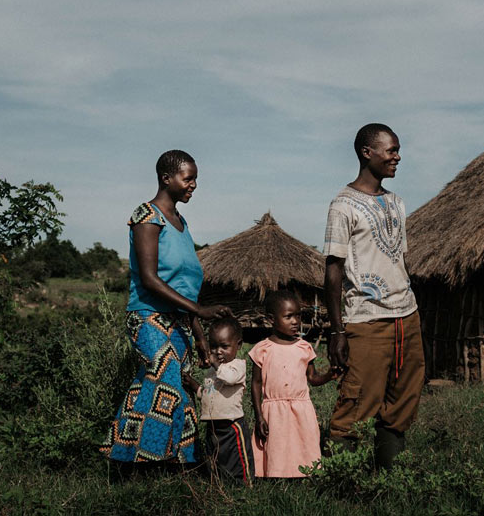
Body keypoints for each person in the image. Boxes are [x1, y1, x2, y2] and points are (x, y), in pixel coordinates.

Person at [101, 149, 232, 468]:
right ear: (166, 178)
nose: (194, 185)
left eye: (196, 179)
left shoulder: (182, 224)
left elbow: (185, 288)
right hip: (147, 316)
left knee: (163, 384)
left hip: (179, 323)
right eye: (189, 178)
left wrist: (198, 335)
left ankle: (153, 458)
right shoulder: (147, 216)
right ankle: (146, 460)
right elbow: (149, 279)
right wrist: (200, 312)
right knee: (166, 379)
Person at [323, 123, 424, 469]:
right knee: (356, 402)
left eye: (397, 150)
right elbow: (333, 271)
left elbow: (398, 259)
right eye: (391, 150)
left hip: (406, 315)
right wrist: (337, 331)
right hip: (366, 319)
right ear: (368, 153)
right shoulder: (343, 206)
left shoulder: (396, 203)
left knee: (403, 400)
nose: (397, 157)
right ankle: (340, 482)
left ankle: (390, 479)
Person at [249, 288, 336, 478]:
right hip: (274, 409)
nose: (296, 321)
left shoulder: (304, 348)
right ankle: (276, 476)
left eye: (298, 315)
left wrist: (330, 374)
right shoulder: (262, 349)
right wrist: (259, 416)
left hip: (301, 408)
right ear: (272, 319)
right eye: (289, 317)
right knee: (277, 446)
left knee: (302, 443)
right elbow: (255, 384)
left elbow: (313, 378)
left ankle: (304, 475)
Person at [196, 318, 255, 484]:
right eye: (213, 347)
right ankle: (218, 483)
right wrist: (195, 386)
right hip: (212, 425)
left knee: (237, 456)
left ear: (238, 345)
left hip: (232, 424)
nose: (218, 351)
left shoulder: (238, 365)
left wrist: (214, 364)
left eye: (224, 346)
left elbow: (229, 378)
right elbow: (208, 393)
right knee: (215, 456)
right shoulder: (213, 370)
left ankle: (245, 483)